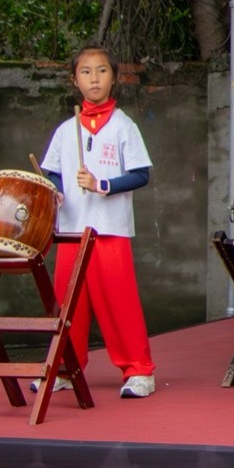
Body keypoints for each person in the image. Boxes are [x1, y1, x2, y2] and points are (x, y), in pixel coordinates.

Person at [39, 45, 157, 398]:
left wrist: (101, 184)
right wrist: (56, 191)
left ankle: (139, 371)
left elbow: (141, 174)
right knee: (67, 305)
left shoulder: (124, 126)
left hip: (110, 229)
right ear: (74, 80)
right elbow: (51, 172)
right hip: (71, 230)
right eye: (86, 71)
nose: (94, 78)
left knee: (119, 303)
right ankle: (64, 369)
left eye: (102, 71)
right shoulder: (66, 130)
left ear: (114, 78)